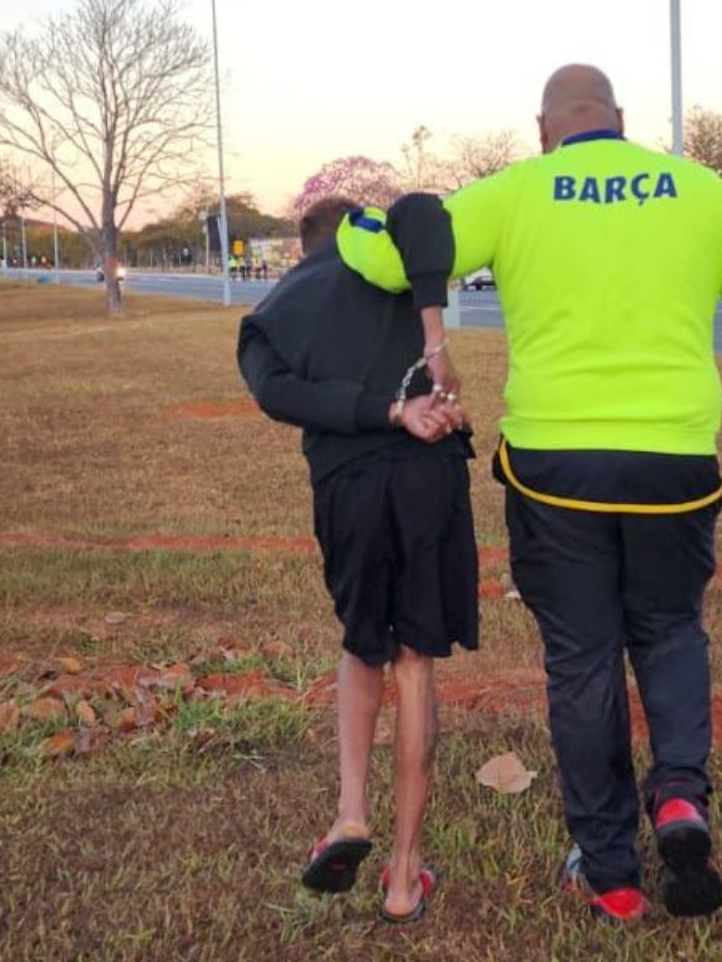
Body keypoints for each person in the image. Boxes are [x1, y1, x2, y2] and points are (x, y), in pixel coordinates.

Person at [338, 65, 722, 923]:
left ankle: (609, 870)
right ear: (622, 119)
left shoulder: (518, 191)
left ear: (543, 130)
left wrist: (351, 226)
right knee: (672, 631)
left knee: (581, 662)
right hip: (674, 467)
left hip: (555, 470)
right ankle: (680, 796)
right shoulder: (701, 190)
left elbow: (395, 256)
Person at [237, 194, 477, 924]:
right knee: (415, 665)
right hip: (425, 476)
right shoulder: (396, 262)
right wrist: (426, 362)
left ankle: (350, 813)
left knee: (361, 647)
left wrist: (376, 409)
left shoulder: (276, 305)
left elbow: (274, 391)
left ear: (303, 245)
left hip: (348, 489)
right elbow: (423, 209)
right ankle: (404, 877)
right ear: (353, 231)